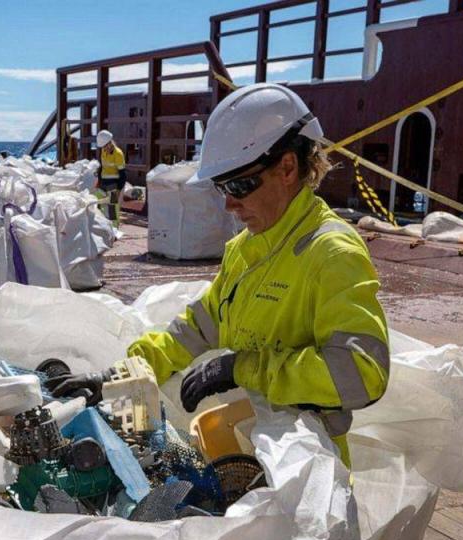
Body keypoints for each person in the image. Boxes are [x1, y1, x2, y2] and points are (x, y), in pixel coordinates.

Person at [49, 83, 390, 468]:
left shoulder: (331, 253)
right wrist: (117, 376)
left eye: (240, 184)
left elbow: (364, 373)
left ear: (288, 168)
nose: (229, 203)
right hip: (247, 448)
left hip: (307, 470)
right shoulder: (245, 248)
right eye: (221, 186)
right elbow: (197, 326)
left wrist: (240, 368)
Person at [96, 129, 126, 222]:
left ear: (110, 143)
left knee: (112, 208)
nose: (104, 148)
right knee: (99, 204)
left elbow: (122, 174)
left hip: (113, 184)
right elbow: (102, 167)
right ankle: (101, 226)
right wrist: (98, 182)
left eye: (105, 146)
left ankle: (114, 229)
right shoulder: (103, 151)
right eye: (103, 147)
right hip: (103, 182)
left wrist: (119, 189)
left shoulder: (118, 154)